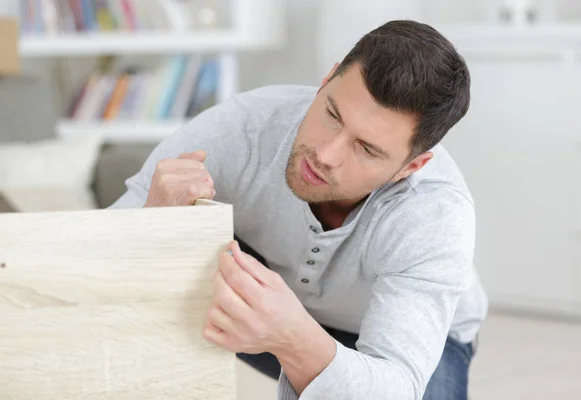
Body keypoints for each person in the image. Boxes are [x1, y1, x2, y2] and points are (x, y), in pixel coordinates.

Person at [110, 20, 488, 400]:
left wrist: (292, 337)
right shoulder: (244, 128)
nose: (325, 155)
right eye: (333, 114)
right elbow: (95, 251)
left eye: (367, 149)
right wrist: (151, 222)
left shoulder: (435, 214)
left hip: (410, 347)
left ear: (409, 167)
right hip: (276, 308)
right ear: (326, 81)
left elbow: (395, 386)